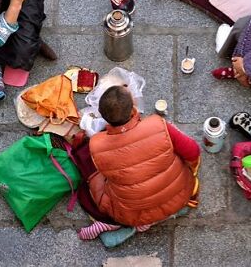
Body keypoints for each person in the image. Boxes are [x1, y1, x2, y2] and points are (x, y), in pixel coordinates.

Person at [75, 85, 201, 240]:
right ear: (134, 110)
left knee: (91, 175)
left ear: (104, 119)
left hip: (129, 214)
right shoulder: (158, 124)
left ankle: (112, 223)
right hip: (178, 197)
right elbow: (193, 152)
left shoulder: (96, 144)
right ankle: (149, 221)